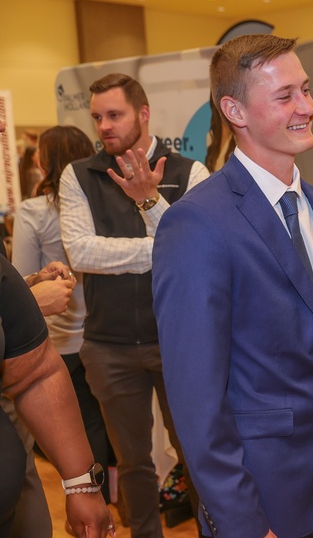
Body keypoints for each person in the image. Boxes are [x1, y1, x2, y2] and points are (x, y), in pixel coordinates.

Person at [152, 34, 313, 538]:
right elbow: (196, 403)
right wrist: (243, 524)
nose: (307, 107)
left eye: (306, 89)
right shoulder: (197, 224)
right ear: (234, 109)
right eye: (285, 96)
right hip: (266, 501)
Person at [59, 73, 209, 537]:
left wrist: (153, 220)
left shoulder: (191, 173)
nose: (104, 126)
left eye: (115, 115)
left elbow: (200, 251)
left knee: (199, 453)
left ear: (143, 115)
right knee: (132, 463)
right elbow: (81, 252)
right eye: (98, 117)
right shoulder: (79, 175)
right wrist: (163, 249)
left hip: (180, 341)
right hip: (109, 346)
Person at [0, 120, 114, 538]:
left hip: (59, 344)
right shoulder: (99, 201)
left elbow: (35, 369)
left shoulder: (32, 211)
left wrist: (80, 484)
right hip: (89, 334)